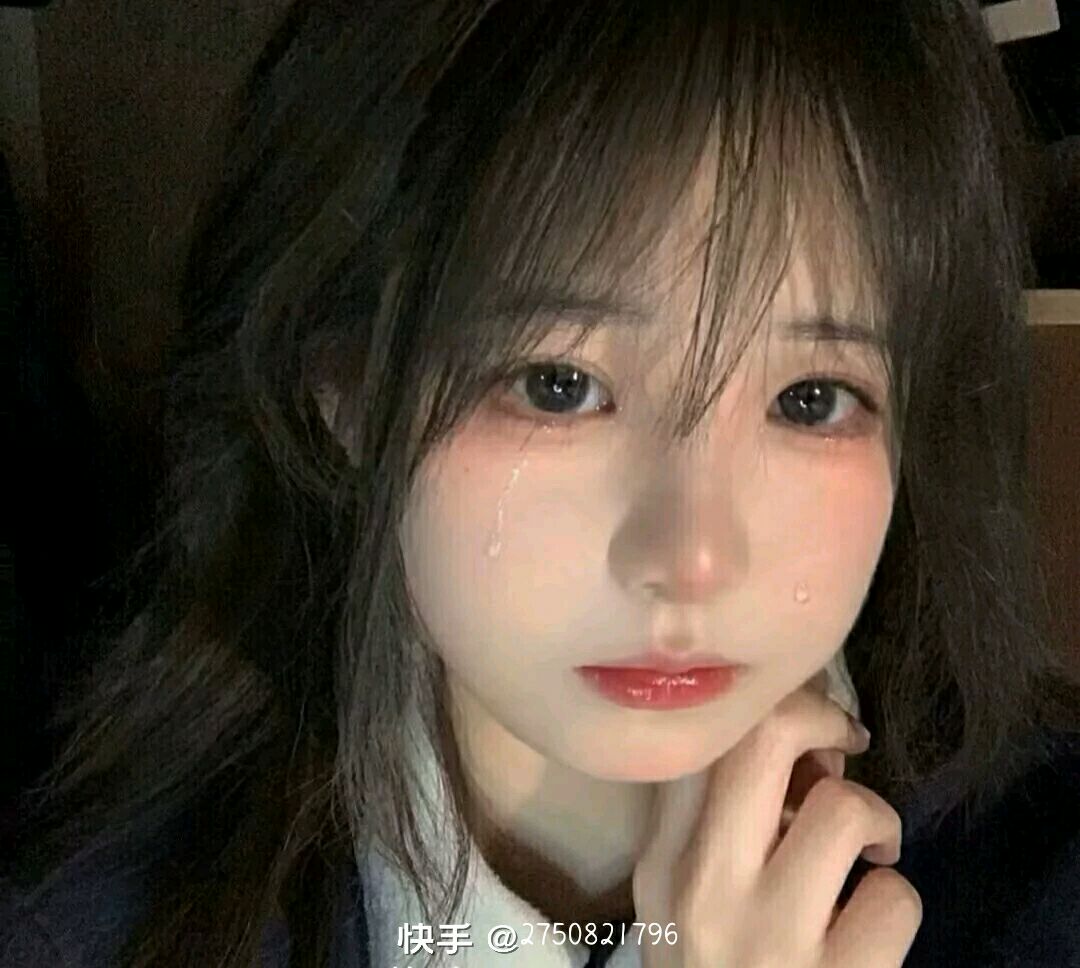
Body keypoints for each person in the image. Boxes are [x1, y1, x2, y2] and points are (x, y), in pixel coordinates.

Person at [3, 1, 1080, 966]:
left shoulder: (1041, 879)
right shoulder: (95, 930)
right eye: (558, 385)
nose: (692, 556)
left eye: (810, 398)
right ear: (347, 392)